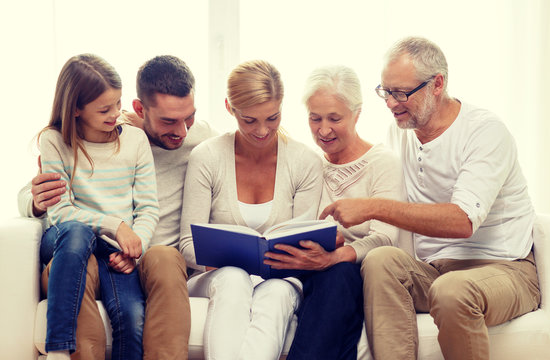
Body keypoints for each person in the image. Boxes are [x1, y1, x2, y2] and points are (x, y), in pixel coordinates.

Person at [320, 36, 541, 360]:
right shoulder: (401, 131)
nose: (392, 103)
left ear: (437, 84)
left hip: (505, 269)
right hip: (435, 269)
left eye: (401, 93)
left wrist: (372, 207)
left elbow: (462, 221)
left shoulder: (484, 131)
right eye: (385, 91)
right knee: (381, 261)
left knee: (451, 291)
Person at [18, 55, 217, 360]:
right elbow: (45, 196)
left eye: (188, 117)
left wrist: (134, 247)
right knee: (79, 260)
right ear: (139, 109)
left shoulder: (202, 140)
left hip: (145, 256)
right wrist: (32, 201)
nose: (182, 131)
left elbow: (248, 140)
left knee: (165, 257)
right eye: (167, 121)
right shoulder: (82, 133)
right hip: (88, 252)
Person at [179, 59, 323, 360]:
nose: (262, 131)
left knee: (278, 292)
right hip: (216, 276)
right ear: (230, 108)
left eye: (272, 118)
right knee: (234, 278)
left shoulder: (304, 161)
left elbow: (306, 242)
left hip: (281, 279)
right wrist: (229, 261)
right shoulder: (207, 157)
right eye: (249, 120)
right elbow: (187, 245)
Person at [263, 65, 407, 360]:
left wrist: (333, 256)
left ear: (357, 114)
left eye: (334, 118)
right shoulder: (306, 162)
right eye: (315, 118)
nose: (323, 130)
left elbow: (385, 238)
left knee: (337, 274)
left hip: (350, 271)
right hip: (305, 268)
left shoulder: (382, 163)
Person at [37, 53, 159, 360]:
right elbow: (61, 211)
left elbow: (148, 208)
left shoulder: (135, 140)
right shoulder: (54, 141)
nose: (116, 113)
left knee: (131, 319)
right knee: (77, 231)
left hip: (115, 249)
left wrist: (135, 246)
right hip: (69, 240)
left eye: (118, 103)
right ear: (75, 109)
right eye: (105, 109)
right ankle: (58, 350)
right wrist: (115, 226)